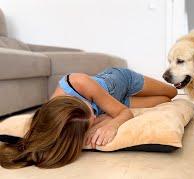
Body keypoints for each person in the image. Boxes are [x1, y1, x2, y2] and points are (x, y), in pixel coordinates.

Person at [0, 67, 177, 169]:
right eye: (94, 117)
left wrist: (112, 124)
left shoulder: (77, 82)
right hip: (119, 101)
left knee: (173, 92)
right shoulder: (57, 122)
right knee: (164, 101)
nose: (96, 115)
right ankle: (113, 104)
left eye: (92, 111)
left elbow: (124, 113)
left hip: (122, 81)